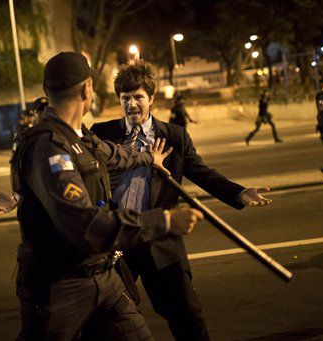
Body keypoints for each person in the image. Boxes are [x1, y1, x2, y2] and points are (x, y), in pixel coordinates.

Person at [9, 51, 207, 340]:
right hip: (61, 285)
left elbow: (113, 154)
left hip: (102, 275)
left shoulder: (79, 136)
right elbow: (87, 225)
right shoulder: (50, 148)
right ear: (87, 89)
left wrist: (146, 158)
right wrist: (163, 221)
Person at [91, 61, 273, 341]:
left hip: (160, 238)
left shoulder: (174, 136)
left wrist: (239, 192)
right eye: (125, 98)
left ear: (151, 98)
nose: (131, 104)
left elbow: (202, 173)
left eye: (138, 96)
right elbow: (79, 172)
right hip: (118, 238)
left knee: (187, 314)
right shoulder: (102, 134)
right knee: (108, 321)